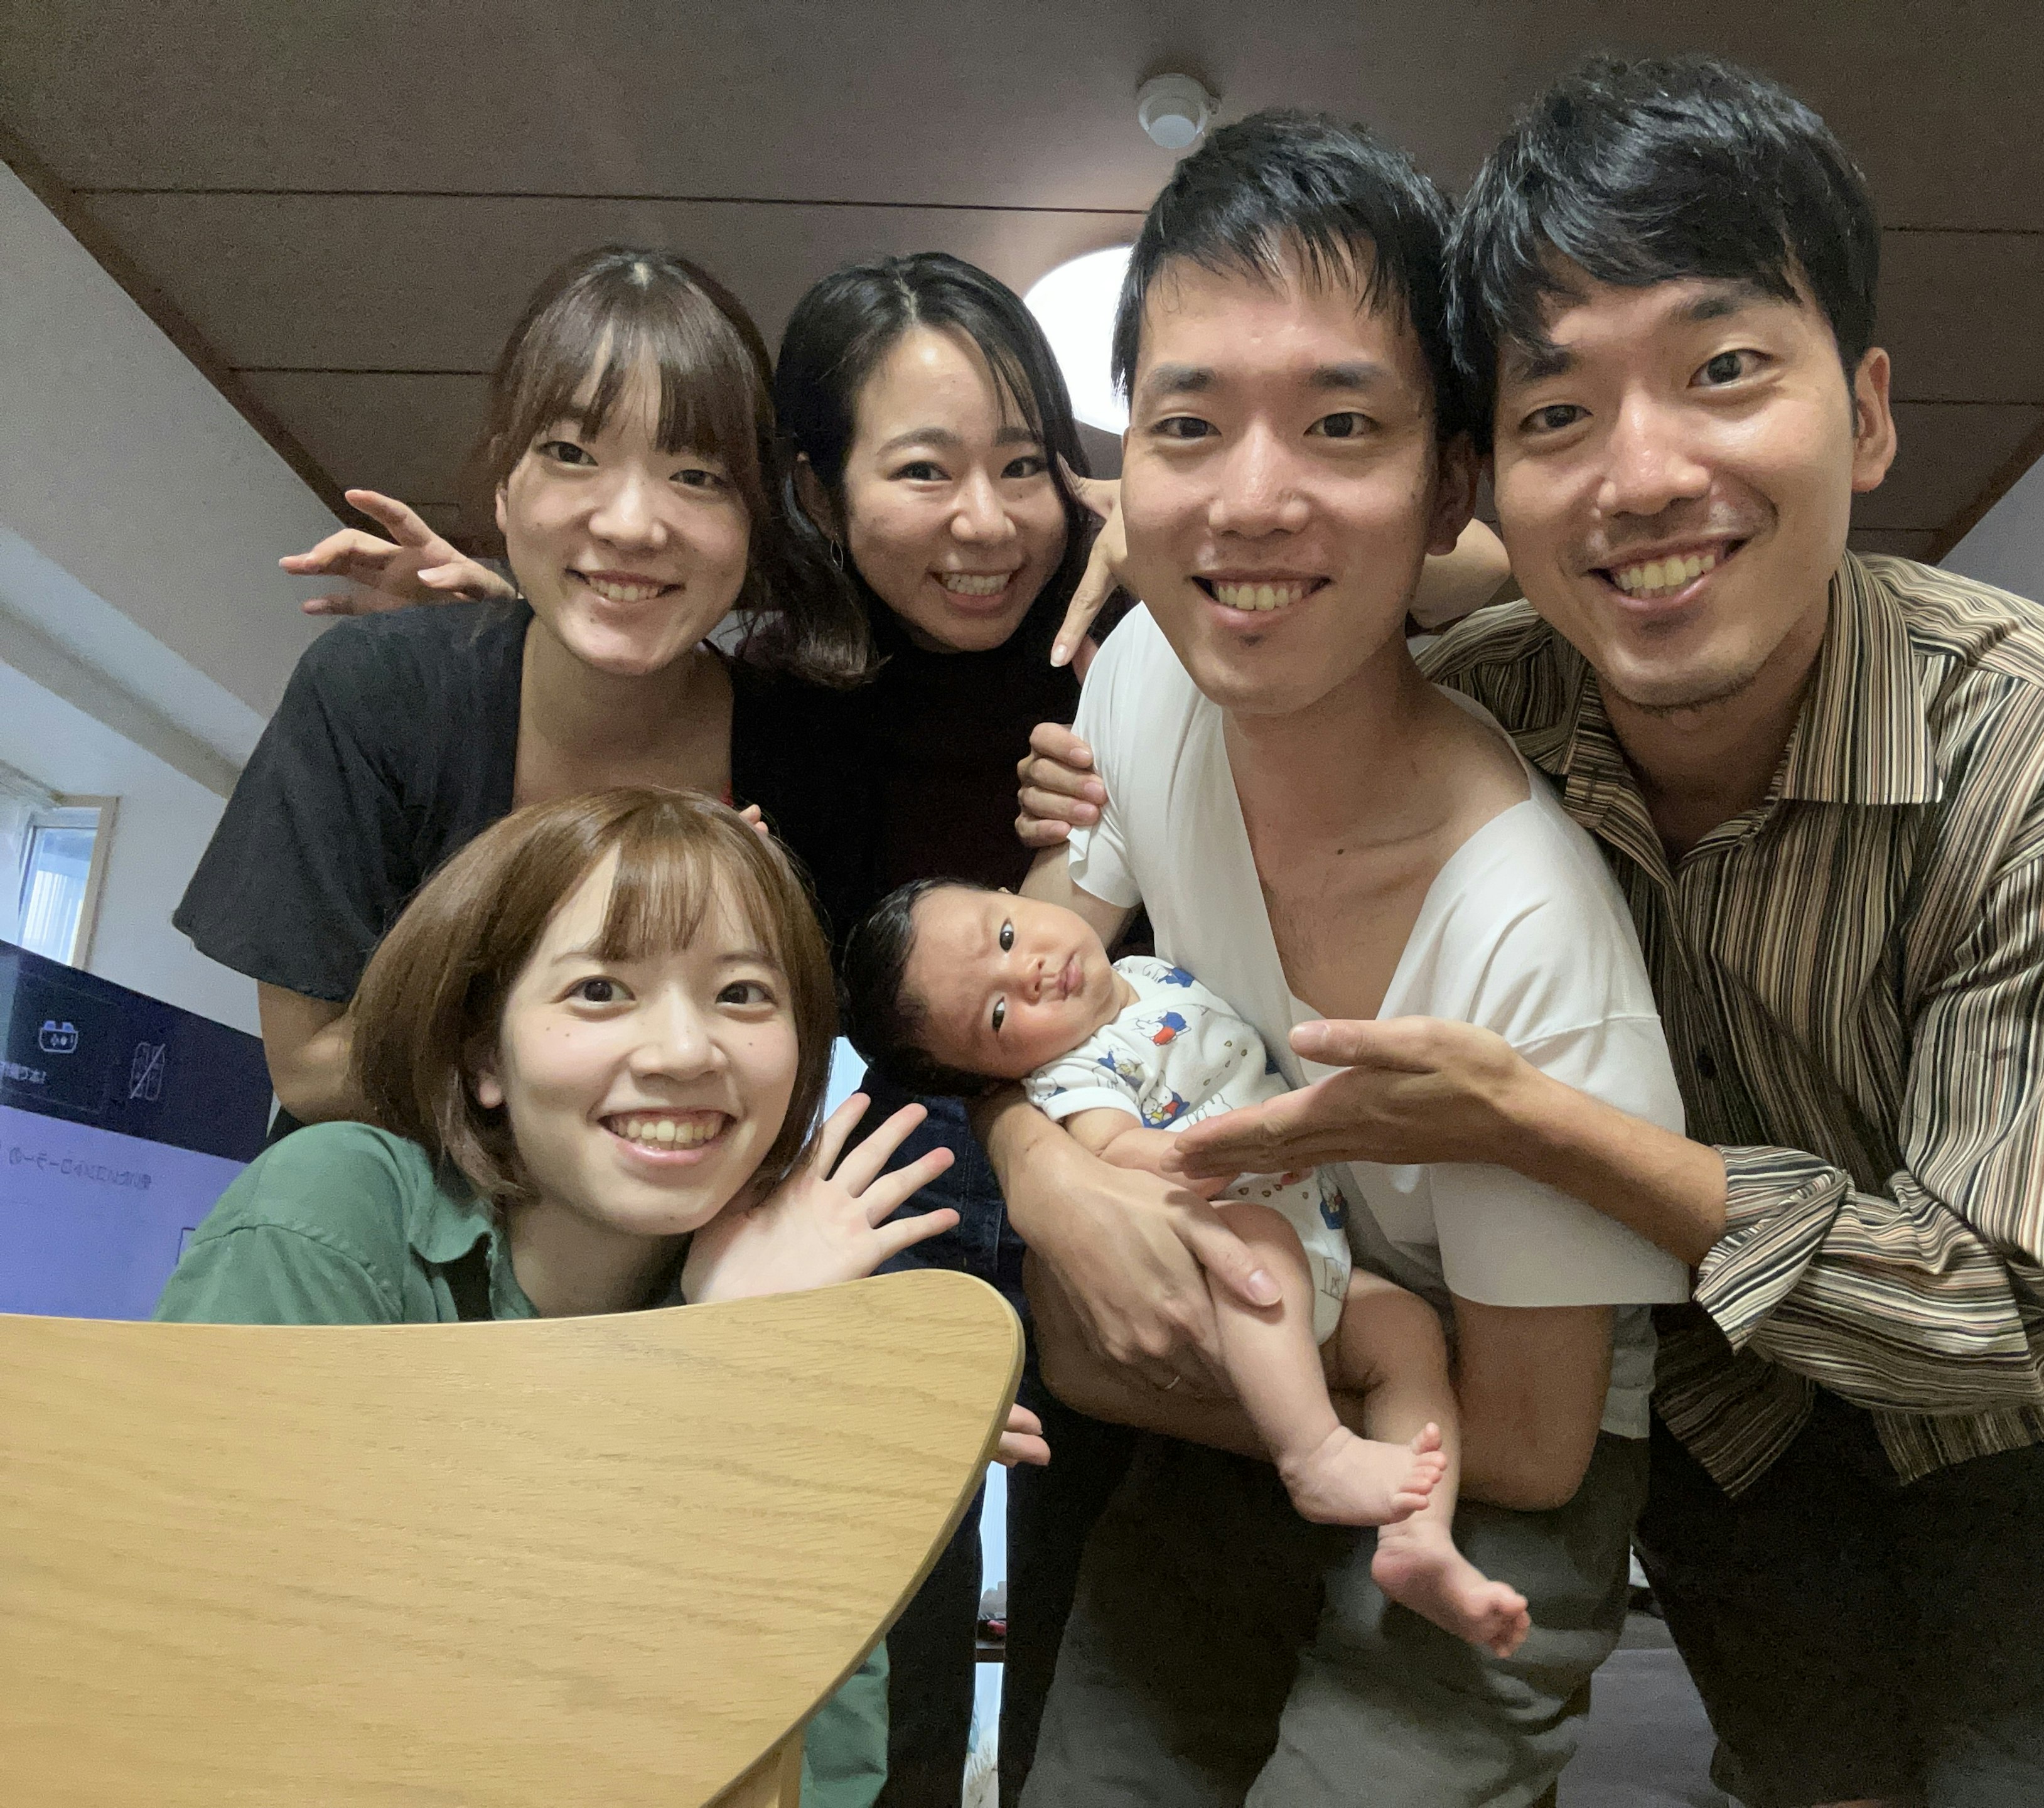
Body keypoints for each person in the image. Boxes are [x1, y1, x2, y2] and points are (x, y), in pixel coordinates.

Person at [1030, 55, 2044, 1808]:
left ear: (1872, 412)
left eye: (1726, 368)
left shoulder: (2040, 740)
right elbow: (1323, 621)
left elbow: (1995, 1306)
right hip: (1735, 1393)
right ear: (1497, 486)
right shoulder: (1492, 695)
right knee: (1804, 1773)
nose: (1645, 474)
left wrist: (1533, 1126)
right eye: (1560, 414)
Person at [281, 248, 1508, 1805]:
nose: (985, 523)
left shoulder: (1141, 621)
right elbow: (634, 690)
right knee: (892, 1520)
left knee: (1115, 1543)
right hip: (934, 1132)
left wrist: (1177, 526)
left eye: (1021, 465)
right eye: (922, 470)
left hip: (1158, 1107)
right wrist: (495, 608)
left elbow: (1469, 569)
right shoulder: (790, 696)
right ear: (818, 485)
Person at [979, 109, 1691, 1807]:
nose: (1251, 501)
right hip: (1269, 1339)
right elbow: (1028, 979)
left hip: (1501, 1459)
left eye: (1342, 424)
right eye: (1188, 423)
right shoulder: (1148, 674)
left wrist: (1141, 1362)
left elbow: (1523, 1440)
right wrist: (1040, 1168)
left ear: (1452, 482)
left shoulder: (1525, 924)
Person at [156, 787, 1050, 1807]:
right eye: (600, 992)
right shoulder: (330, 1212)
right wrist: (706, 1371)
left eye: (746, 996)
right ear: (485, 1051)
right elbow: (239, 1689)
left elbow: (822, 1777)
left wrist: (784, 1378)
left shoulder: (799, 1309)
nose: (683, 1053)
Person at [177, 244, 864, 1134]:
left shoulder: (800, 745)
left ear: (756, 517)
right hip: (391, 1225)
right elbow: (311, 1067)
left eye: (696, 475)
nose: (628, 524)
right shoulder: (384, 697)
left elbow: (809, 1048)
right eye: (572, 452)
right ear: (505, 485)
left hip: (674, 1246)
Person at [845, 880, 1541, 1657]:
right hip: (1236, 1267)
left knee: (1408, 1334)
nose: (1032, 972)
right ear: (992, 1081)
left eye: (1006, 936)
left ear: (1014, 894)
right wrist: (1226, 1148)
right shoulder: (1075, 1078)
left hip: (1316, 1246)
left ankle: (1421, 1542)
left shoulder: (1146, 972)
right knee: (1260, 1246)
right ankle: (1313, 1454)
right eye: (999, 1016)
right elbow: (1113, 1156)